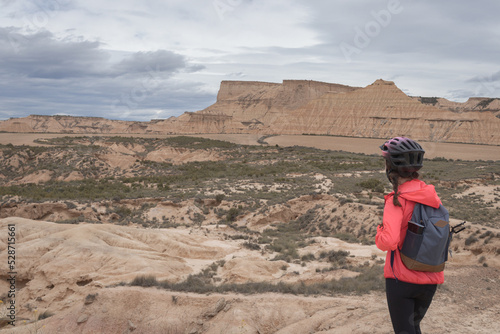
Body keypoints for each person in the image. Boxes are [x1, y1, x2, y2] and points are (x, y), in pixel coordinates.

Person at [375, 137, 444, 334]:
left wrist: (379, 231)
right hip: (431, 278)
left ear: (390, 167)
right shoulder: (431, 196)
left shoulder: (396, 200)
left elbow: (389, 241)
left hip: (402, 280)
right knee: (413, 328)